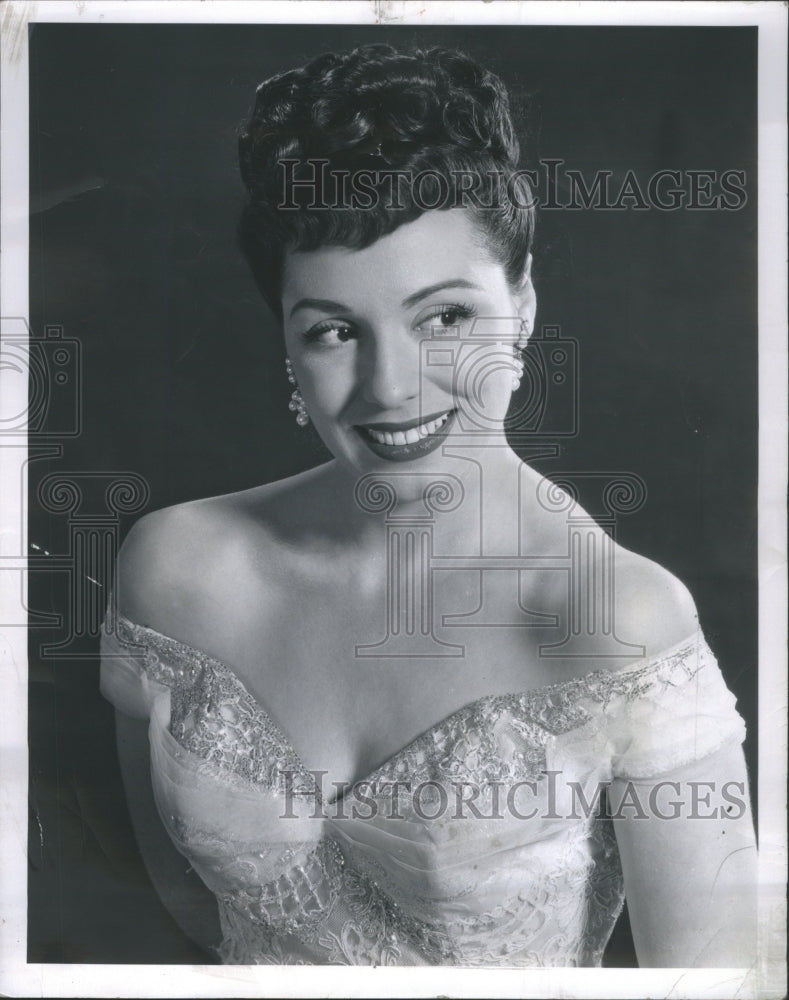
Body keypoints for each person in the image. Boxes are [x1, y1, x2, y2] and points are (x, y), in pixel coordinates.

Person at [99, 44, 757, 967]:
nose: (390, 386)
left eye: (444, 317)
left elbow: (720, 981)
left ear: (520, 302)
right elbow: (179, 900)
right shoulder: (174, 568)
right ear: (286, 343)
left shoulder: (620, 620)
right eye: (333, 330)